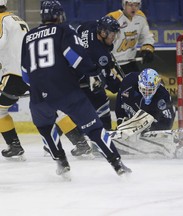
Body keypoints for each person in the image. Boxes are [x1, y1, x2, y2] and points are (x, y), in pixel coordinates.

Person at [21, 0, 131, 178]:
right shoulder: (64, 30)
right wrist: (93, 73)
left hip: (38, 95)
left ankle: (61, 162)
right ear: (59, 15)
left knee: (45, 128)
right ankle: (118, 165)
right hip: (65, 90)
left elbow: (25, 74)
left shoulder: (28, 37)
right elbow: (76, 59)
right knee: (95, 129)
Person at [0, 0, 29, 160]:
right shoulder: (18, 19)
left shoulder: (1, 19)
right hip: (31, 72)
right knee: (51, 108)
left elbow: (1, 43)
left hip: (14, 74)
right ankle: (80, 143)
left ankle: (14, 146)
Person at [107, 0, 155, 75]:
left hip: (130, 62)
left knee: (137, 85)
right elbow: (102, 40)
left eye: (136, 5)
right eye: (130, 5)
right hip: (112, 64)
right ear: (124, 5)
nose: (134, 8)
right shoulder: (113, 17)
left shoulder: (140, 16)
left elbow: (146, 36)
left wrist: (147, 48)